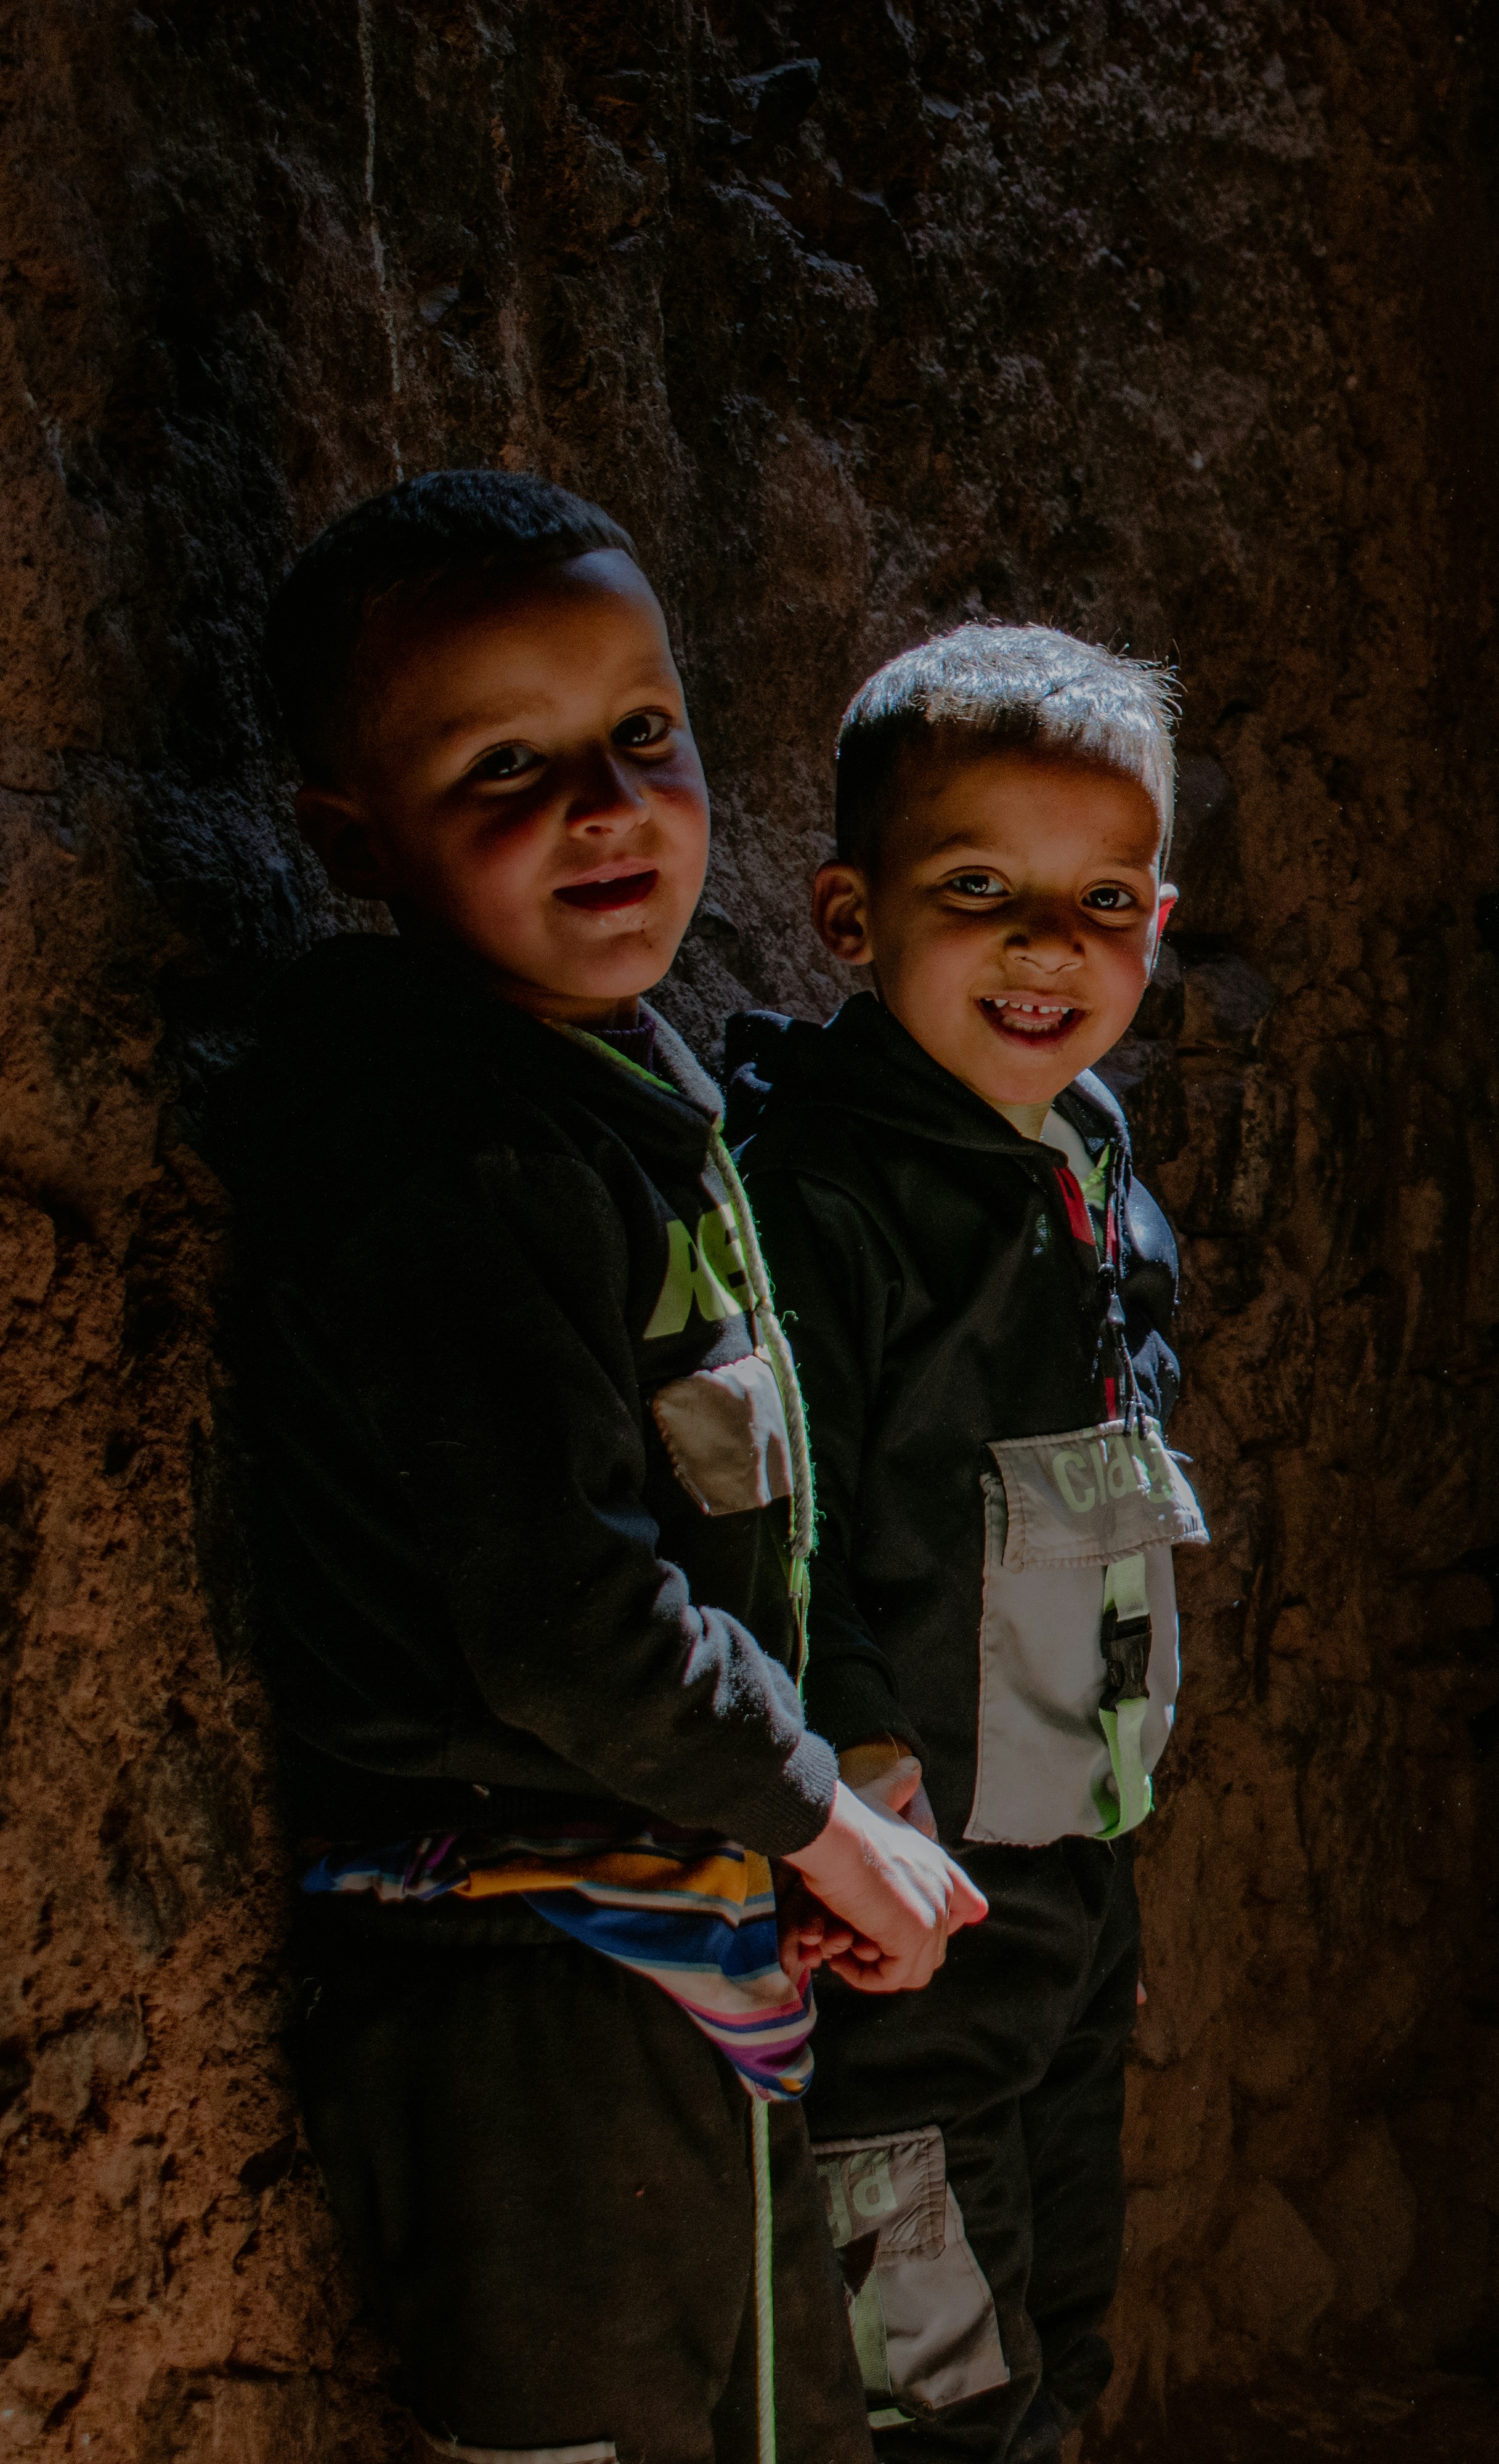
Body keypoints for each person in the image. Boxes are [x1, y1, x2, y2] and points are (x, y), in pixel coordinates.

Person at [216, 469, 990, 2464]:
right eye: (506, 768)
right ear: (349, 833)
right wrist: (816, 1815)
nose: (608, 807)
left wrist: (810, 1789)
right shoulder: (448, 1160)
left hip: (663, 1940)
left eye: (644, 735)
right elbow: (569, 1625)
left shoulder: (622, 1094)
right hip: (523, 1992)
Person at [727, 624, 1203, 2463]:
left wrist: (1107, 1861)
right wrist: (854, 1778)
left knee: (1063, 2297)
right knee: (929, 2336)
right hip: (905, 1895)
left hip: (1066, 1881)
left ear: (1158, 923)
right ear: (852, 919)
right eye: (979, 889)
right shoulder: (820, 1202)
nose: (1046, 948)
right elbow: (790, 1534)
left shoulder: (1090, 1164)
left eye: (1100, 900)